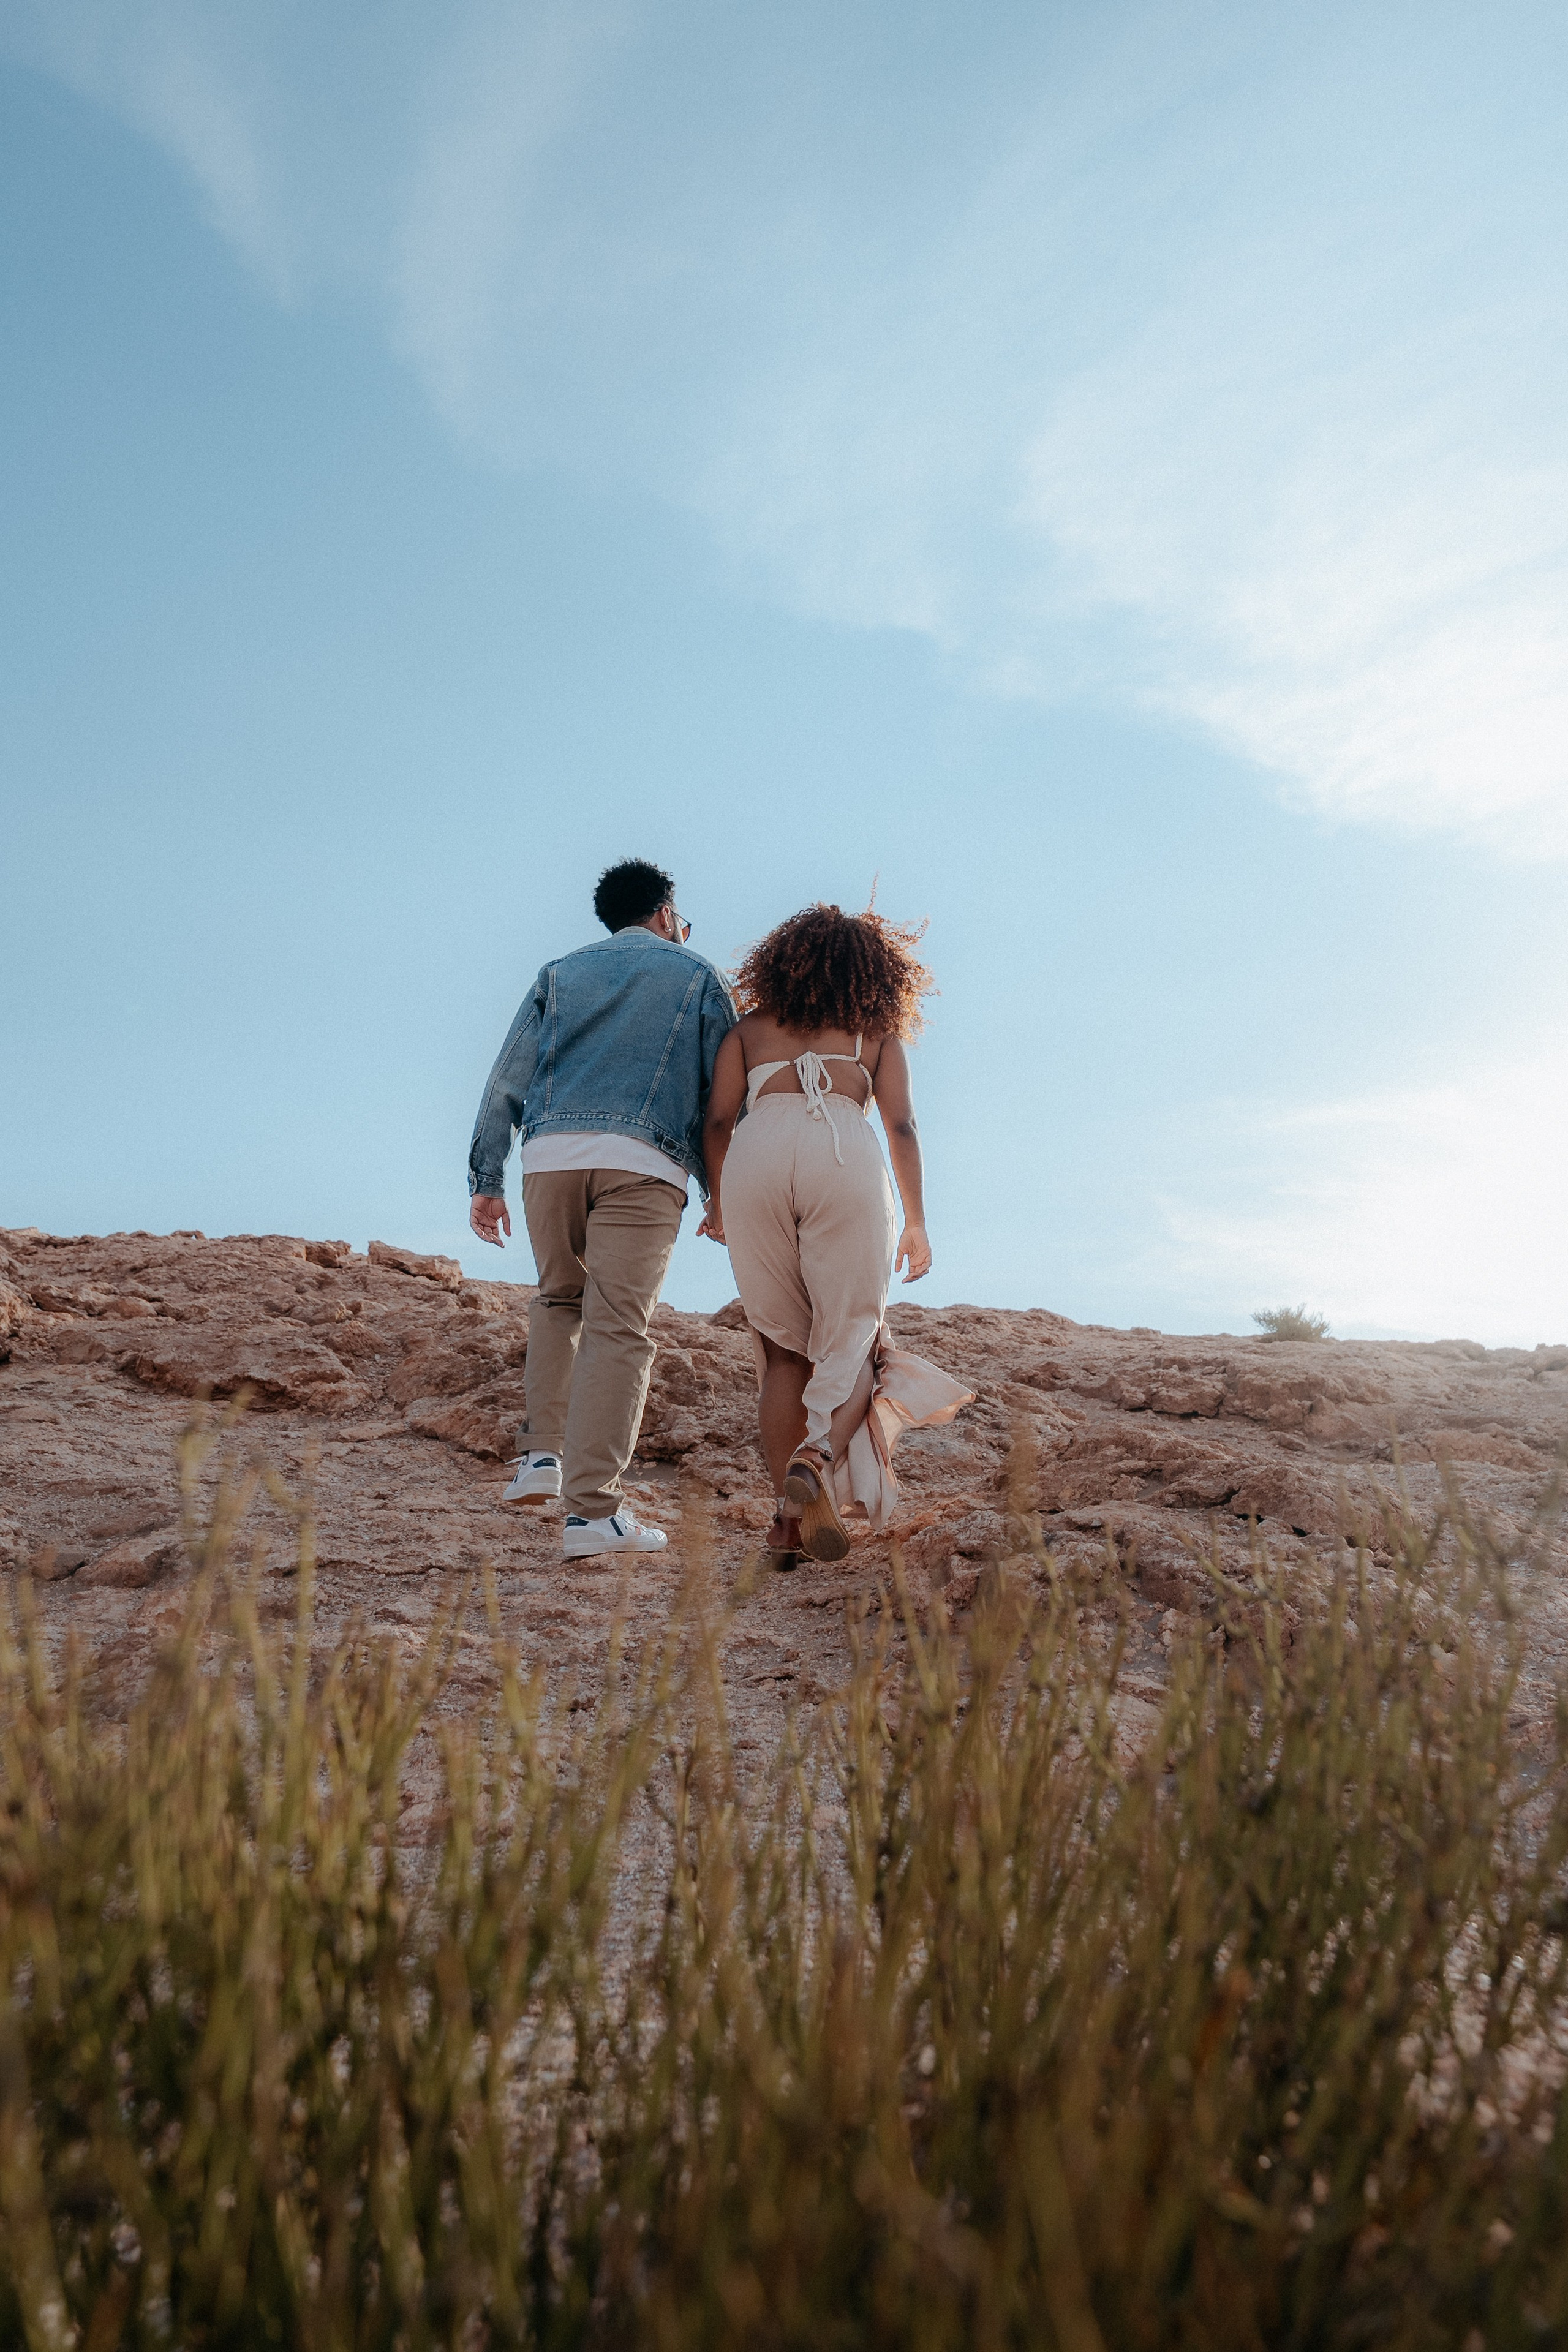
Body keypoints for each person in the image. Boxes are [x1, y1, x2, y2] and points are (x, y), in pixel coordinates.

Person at [468, 858, 735, 1559]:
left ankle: (540, 1458)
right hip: (642, 1164)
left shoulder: (559, 972)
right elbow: (719, 1097)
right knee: (619, 1328)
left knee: (558, 1300)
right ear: (667, 912)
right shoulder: (696, 974)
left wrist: (484, 1176)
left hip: (548, 1157)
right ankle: (592, 1517)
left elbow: (507, 1077)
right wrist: (721, 1194)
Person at [698, 902, 971, 1566]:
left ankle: (785, 1528)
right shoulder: (874, 1032)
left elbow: (715, 1123)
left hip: (756, 1159)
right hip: (842, 1157)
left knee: (782, 1351)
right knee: (851, 1337)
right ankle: (818, 1458)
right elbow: (902, 1126)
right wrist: (916, 1220)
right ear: (874, 972)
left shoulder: (747, 1032)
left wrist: (718, 1199)